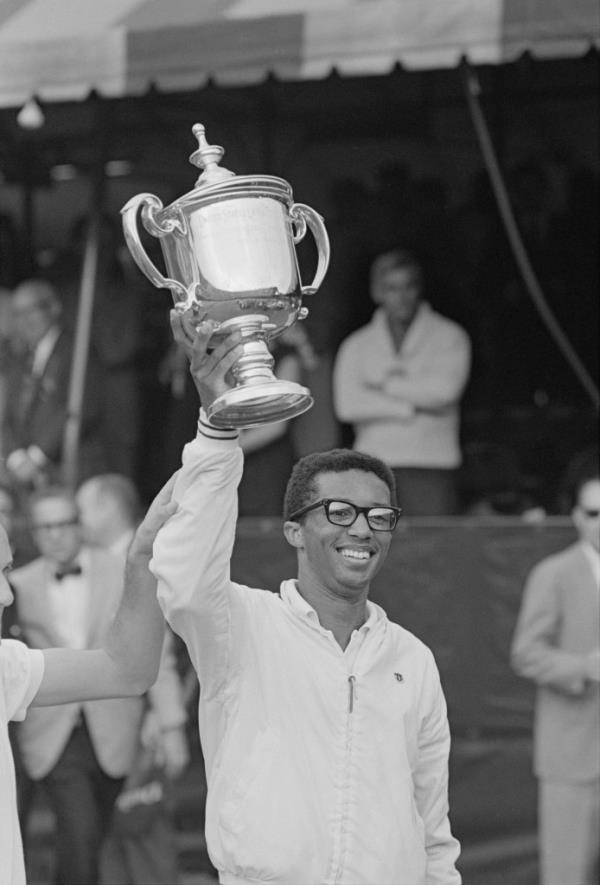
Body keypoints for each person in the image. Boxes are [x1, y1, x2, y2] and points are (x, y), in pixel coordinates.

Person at [149, 310, 462, 885]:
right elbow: (182, 577)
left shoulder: (412, 660)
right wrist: (218, 431)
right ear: (294, 530)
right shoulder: (242, 626)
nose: (362, 530)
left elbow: (432, 828)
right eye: (338, 513)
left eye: (379, 516)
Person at [0, 475, 176, 885]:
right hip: (51, 737)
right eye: (46, 526)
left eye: (6, 569)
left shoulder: (8, 668)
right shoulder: (26, 586)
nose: (7, 595)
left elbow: (132, 668)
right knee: (80, 837)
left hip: (111, 730)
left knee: (94, 837)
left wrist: (144, 558)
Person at [75, 471, 190, 885]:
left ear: (108, 508)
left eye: (83, 508)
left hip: (143, 724)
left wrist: (167, 722)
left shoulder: (152, 559)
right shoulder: (100, 560)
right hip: (105, 728)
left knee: (146, 835)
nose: (76, 518)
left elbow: (162, 652)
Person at [332, 248, 471, 515]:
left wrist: (384, 385)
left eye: (408, 286)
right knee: (374, 549)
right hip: (373, 465)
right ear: (377, 292)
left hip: (432, 465)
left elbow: (444, 393)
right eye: (391, 288)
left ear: (419, 290)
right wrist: (409, 408)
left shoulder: (450, 336)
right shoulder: (356, 345)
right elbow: (347, 406)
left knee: (432, 550)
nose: (401, 297)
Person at [511, 474, 600, 885]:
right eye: (594, 512)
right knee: (568, 874)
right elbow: (526, 653)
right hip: (575, 752)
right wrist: (584, 667)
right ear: (577, 518)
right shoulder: (555, 573)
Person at [2, 278, 106, 491]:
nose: (24, 321)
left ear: (53, 308)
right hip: (26, 475)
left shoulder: (77, 350)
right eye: (18, 314)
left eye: (31, 311)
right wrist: (16, 457)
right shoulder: (20, 359)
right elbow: (9, 412)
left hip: (70, 467)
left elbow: (82, 406)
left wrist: (37, 456)